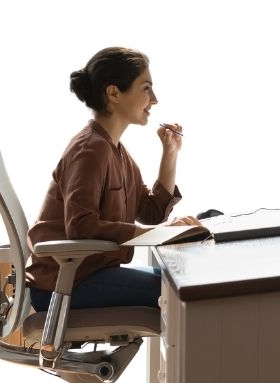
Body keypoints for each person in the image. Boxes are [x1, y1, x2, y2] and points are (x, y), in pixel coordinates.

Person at [26, 47, 200, 312]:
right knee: (178, 289)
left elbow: (151, 212)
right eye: (146, 88)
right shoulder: (90, 150)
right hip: (63, 285)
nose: (154, 99)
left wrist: (170, 154)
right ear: (114, 93)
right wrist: (161, 234)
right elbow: (81, 226)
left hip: (87, 276)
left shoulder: (115, 149)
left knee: (179, 279)